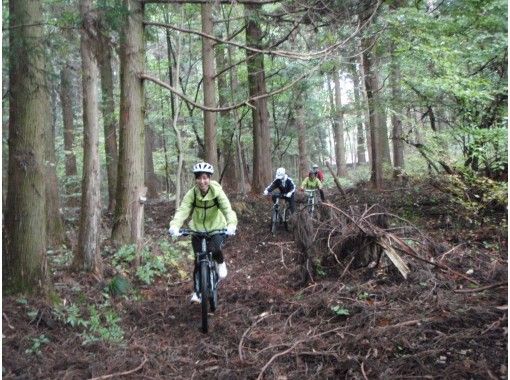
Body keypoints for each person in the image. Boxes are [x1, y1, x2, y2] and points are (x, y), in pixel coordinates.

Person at [168, 162, 237, 303]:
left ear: (210, 178)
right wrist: (175, 225)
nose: (202, 181)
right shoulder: (192, 193)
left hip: (217, 227)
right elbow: (183, 210)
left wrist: (231, 224)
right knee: (198, 260)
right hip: (197, 229)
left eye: (205, 178)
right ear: (196, 179)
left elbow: (227, 209)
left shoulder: (217, 192)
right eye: (199, 178)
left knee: (214, 248)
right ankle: (198, 292)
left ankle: (221, 262)